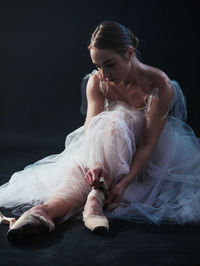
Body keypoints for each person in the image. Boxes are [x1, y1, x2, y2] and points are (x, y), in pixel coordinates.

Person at [1, 21, 200, 243]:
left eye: (110, 64)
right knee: (85, 166)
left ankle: (90, 199)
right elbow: (92, 128)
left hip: (145, 158)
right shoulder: (97, 82)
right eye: (98, 66)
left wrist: (124, 182)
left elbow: (146, 143)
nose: (104, 74)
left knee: (119, 118)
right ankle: (43, 211)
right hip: (109, 145)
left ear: (129, 53)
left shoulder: (160, 85)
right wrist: (94, 162)